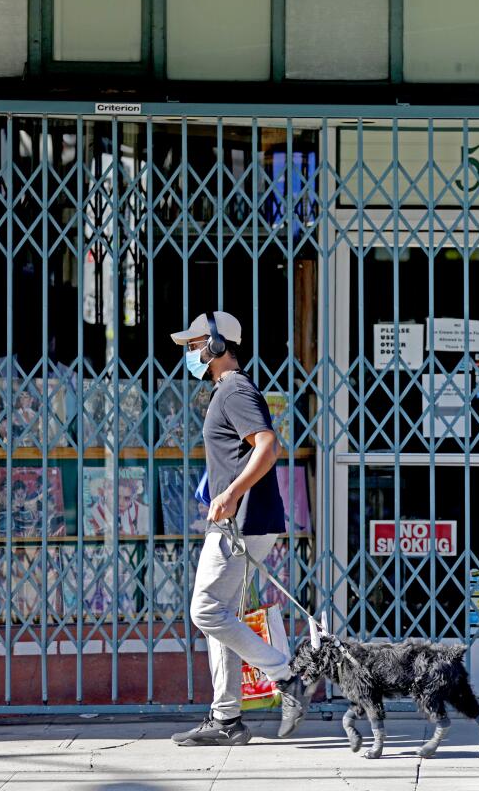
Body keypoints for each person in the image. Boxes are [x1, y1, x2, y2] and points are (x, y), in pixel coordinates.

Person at [169, 311, 307, 747]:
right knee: (220, 616)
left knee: (205, 611)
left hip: (239, 523)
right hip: (239, 521)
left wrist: (229, 494)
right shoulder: (227, 391)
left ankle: (286, 675)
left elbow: (267, 447)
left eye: (195, 345)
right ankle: (227, 719)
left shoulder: (234, 390)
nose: (190, 353)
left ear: (215, 344)